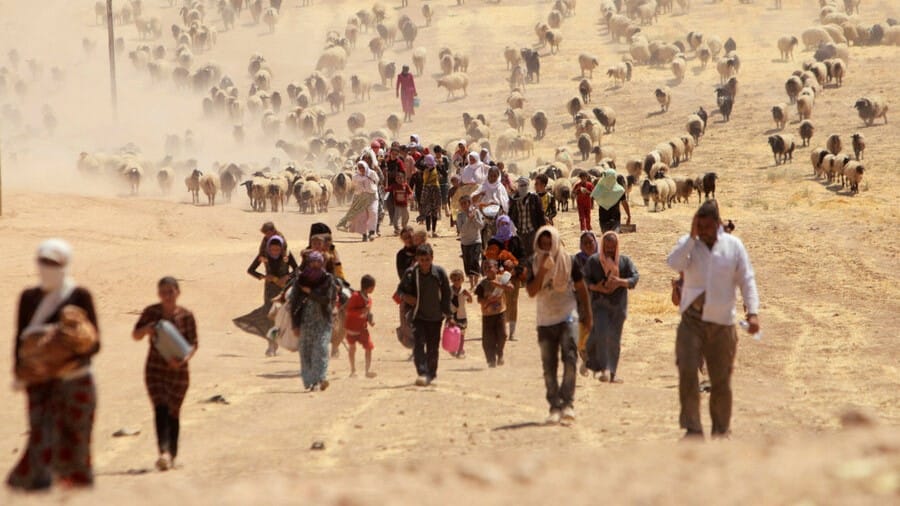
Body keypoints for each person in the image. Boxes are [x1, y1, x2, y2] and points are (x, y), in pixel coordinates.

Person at [8, 240, 100, 490]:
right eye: (44, 262)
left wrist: (64, 356)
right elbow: (20, 338)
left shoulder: (80, 296)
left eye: (54, 263)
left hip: (76, 381)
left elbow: (94, 344)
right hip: (39, 382)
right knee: (41, 438)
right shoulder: (29, 298)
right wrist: (19, 371)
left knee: (77, 443)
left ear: (65, 264)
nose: (48, 268)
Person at [667, 201, 760, 439]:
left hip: (722, 322)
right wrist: (690, 237)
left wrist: (753, 312)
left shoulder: (733, 246)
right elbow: (673, 263)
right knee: (687, 372)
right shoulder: (689, 246)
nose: (705, 231)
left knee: (721, 379)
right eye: (701, 226)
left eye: (709, 226)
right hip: (691, 320)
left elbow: (746, 279)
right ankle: (692, 428)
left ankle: (721, 429)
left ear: (718, 224)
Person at [525, 226, 592, 425]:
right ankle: (554, 405)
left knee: (570, 359)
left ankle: (567, 403)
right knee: (549, 366)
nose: (546, 248)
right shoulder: (534, 263)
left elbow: (581, 288)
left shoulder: (569, 261)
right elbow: (531, 291)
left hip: (567, 315)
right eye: (542, 244)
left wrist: (587, 315)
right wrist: (543, 270)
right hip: (545, 319)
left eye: (549, 243)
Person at [132, 277, 198, 471]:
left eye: (171, 292)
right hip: (155, 369)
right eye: (163, 292)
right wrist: (147, 330)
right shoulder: (151, 312)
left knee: (174, 411)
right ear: (158, 294)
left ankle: (173, 455)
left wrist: (182, 361)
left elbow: (194, 344)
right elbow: (135, 335)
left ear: (178, 292)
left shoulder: (186, 315)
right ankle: (163, 452)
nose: (167, 296)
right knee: (160, 406)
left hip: (179, 372)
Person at [584, 232, 639, 384]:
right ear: (602, 246)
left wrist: (620, 282)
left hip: (618, 306)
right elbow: (584, 279)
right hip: (599, 305)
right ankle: (603, 370)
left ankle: (612, 372)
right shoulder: (594, 261)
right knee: (601, 334)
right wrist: (596, 287)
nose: (609, 250)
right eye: (607, 247)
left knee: (614, 339)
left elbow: (635, 278)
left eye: (612, 247)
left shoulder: (624, 262)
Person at [397, 244, 452, 386]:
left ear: (432, 258)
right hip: (418, 316)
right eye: (421, 260)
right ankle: (422, 373)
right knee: (419, 345)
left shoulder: (439, 273)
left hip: (435, 317)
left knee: (433, 347)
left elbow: (447, 293)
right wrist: (407, 297)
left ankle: (431, 373)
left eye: (427, 259)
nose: (425, 263)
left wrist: (448, 314)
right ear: (417, 260)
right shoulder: (411, 274)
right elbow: (400, 291)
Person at [291, 251, 337, 391]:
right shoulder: (300, 280)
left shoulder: (327, 279)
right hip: (305, 321)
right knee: (306, 351)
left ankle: (320, 379)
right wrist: (295, 324)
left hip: (323, 320)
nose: (315, 265)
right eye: (312, 262)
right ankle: (309, 381)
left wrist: (310, 293)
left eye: (318, 262)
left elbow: (327, 300)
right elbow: (294, 302)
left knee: (321, 349)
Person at [484, 215, 526, 341]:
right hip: (498, 278)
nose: (504, 227)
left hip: (514, 277)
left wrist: (515, 267)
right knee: (499, 303)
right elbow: (489, 259)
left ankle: (512, 332)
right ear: (497, 226)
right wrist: (500, 267)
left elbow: (523, 257)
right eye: (501, 224)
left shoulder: (516, 240)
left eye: (506, 224)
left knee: (513, 303)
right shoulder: (493, 242)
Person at [474, 259, 513, 367]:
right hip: (487, 315)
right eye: (485, 268)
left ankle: (499, 353)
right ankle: (491, 360)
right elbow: (479, 300)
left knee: (503, 335)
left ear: (496, 268)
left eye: (489, 267)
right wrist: (488, 301)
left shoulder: (501, 279)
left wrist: (499, 285)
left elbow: (510, 288)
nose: (487, 270)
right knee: (487, 339)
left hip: (500, 313)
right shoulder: (482, 284)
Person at [573, 232, 598, 372]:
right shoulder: (576, 260)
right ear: (581, 245)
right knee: (581, 334)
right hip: (581, 302)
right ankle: (586, 358)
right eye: (586, 243)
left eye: (591, 242)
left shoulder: (603, 259)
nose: (589, 245)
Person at [338, 160, 381, 241]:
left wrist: (370, 188)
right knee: (362, 216)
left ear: (366, 167)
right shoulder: (355, 177)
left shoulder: (372, 173)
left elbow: (377, 181)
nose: (361, 169)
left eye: (363, 167)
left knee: (373, 212)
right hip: (360, 198)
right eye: (359, 167)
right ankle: (364, 234)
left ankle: (372, 232)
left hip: (372, 196)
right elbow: (354, 187)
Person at [345, 275, 377, 379]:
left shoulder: (369, 299)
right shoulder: (355, 297)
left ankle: (367, 370)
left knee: (369, 347)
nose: (373, 289)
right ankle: (353, 370)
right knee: (352, 348)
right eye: (373, 287)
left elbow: (368, 313)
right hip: (351, 327)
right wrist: (361, 311)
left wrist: (370, 320)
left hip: (362, 328)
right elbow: (349, 311)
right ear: (368, 287)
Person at [508, 177, 546, 259]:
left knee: (533, 254)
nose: (523, 187)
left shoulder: (534, 198)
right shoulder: (514, 199)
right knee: (522, 255)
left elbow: (540, 214)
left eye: (525, 185)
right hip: (520, 232)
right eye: (521, 185)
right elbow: (511, 214)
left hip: (532, 230)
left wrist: (542, 230)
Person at [457, 194, 484, 291]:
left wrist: (474, 219)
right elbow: (461, 230)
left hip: (476, 241)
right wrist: (469, 220)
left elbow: (481, 226)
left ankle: (476, 284)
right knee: (467, 262)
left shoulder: (476, 212)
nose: (464, 205)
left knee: (475, 260)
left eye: (466, 203)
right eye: (462, 204)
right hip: (465, 242)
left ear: (469, 203)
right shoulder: (459, 216)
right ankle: (472, 283)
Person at [591, 168, 631, 233]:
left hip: (603, 219)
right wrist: (629, 216)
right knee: (613, 238)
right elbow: (624, 203)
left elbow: (595, 198)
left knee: (606, 239)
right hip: (615, 219)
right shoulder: (620, 190)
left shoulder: (599, 189)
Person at [448, 270, 472, 358]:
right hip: (451, 316)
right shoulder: (449, 290)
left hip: (462, 315)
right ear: (451, 280)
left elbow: (470, 301)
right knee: (452, 333)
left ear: (462, 280)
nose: (457, 281)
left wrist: (469, 296)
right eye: (454, 280)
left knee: (461, 334)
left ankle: (460, 350)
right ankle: (453, 349)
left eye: (458, 279)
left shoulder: (464, 291)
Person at [419, 154, 443, 237]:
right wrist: (422, 156)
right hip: (428, 190)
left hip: (435, 190)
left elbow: (444, 173)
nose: (428, 165)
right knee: (428, 212)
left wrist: (439, 164)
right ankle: (429, 230)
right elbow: (417, 164)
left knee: (434, 212)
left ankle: (434, 231)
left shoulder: (437, 168)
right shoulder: (424, 167)